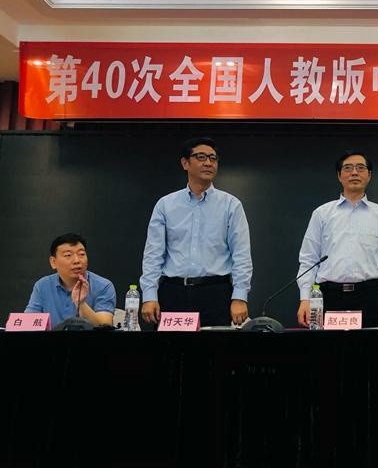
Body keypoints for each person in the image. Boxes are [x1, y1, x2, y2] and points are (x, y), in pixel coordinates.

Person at [140, 136, 253, 327]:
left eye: (213, 158)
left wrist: (240, 297)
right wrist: (150, 295)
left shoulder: (231, 205)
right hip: (173, 292)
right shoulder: (166, 205)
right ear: (185, 163)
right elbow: (153, 254)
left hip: (216, 292)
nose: (208, 163)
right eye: (201, 157)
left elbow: (241, 255)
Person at [296, 150, 378, 328]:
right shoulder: (322, 214)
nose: (354, 173)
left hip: (369, 296)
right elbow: (308, 259)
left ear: (369, 175)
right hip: (328, 297)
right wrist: (305, 299)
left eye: (360, 168)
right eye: (348, 168)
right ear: (339, 176)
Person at [25, 233, 116, 327]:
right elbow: (27, 324)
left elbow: (105, 325)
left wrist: (81, 304)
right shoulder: (42, 286)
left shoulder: (103, 286)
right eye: (68, 255)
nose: (77, 260)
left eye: (81, 254)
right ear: (53, 262)